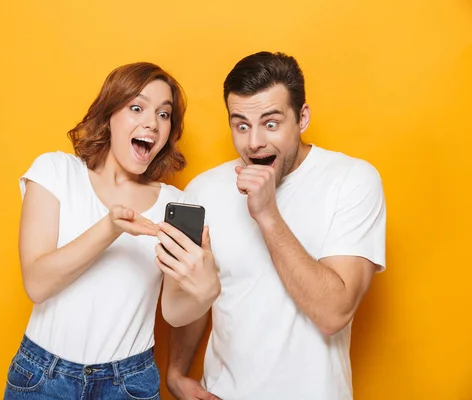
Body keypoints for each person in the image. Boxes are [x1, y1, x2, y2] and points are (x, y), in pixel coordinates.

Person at [165, 51, 387, 399]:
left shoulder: (352, 181)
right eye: (241, 125)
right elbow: (198, 294)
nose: (254, 142)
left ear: (302, 118)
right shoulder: (204, 191)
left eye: (270, 123)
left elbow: (333, 312)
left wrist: (267, 214)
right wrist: (176, 372)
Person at [3, 62, 221, 400]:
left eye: (164, 115)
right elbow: (36, 283)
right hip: (43, 377)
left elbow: (173, 313)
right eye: (137, 107)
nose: (152, 122)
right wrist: (109, 228)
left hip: (129, 384)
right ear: (109, 115)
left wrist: (205, 291)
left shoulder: (175, 205)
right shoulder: (56, 172)